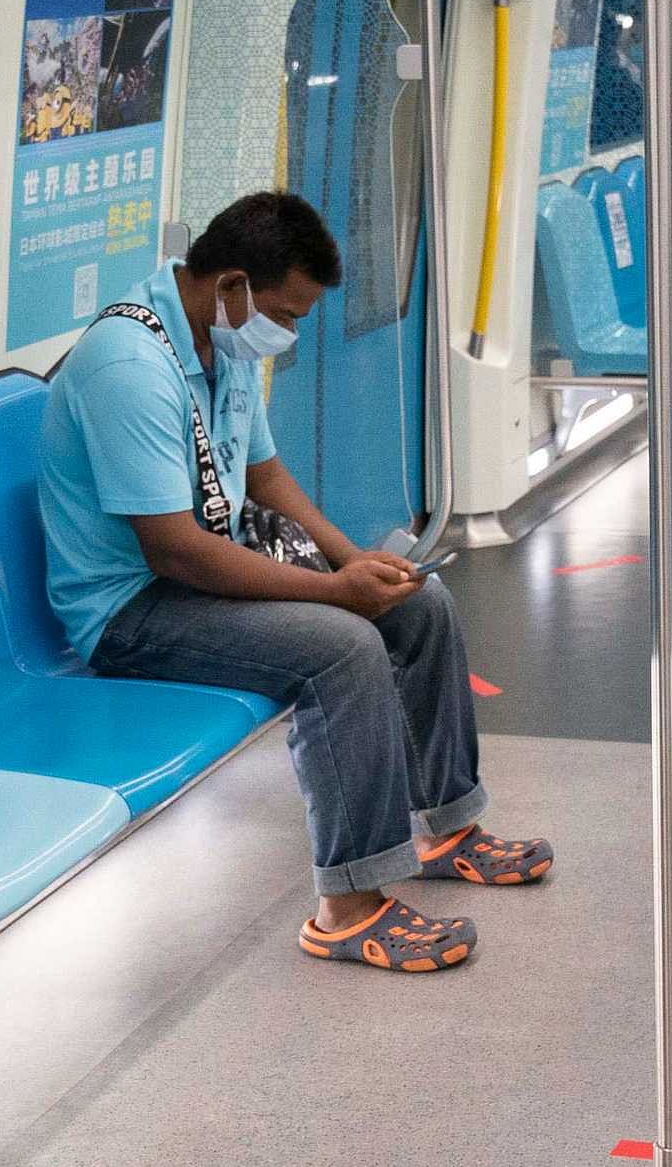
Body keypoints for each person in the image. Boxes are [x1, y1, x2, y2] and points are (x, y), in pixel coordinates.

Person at [43, 192, 553, 971]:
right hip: (131, 610)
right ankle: (348, 907)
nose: (292, 330)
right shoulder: (129, 365)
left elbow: (265, 473)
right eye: (288, 311)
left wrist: (352, 560)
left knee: (420, 602)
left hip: (198, 579)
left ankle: (449, 825)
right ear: (233, 284)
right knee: (341, 646)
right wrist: (334, 594)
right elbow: (175, 550)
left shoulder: (224, 344)